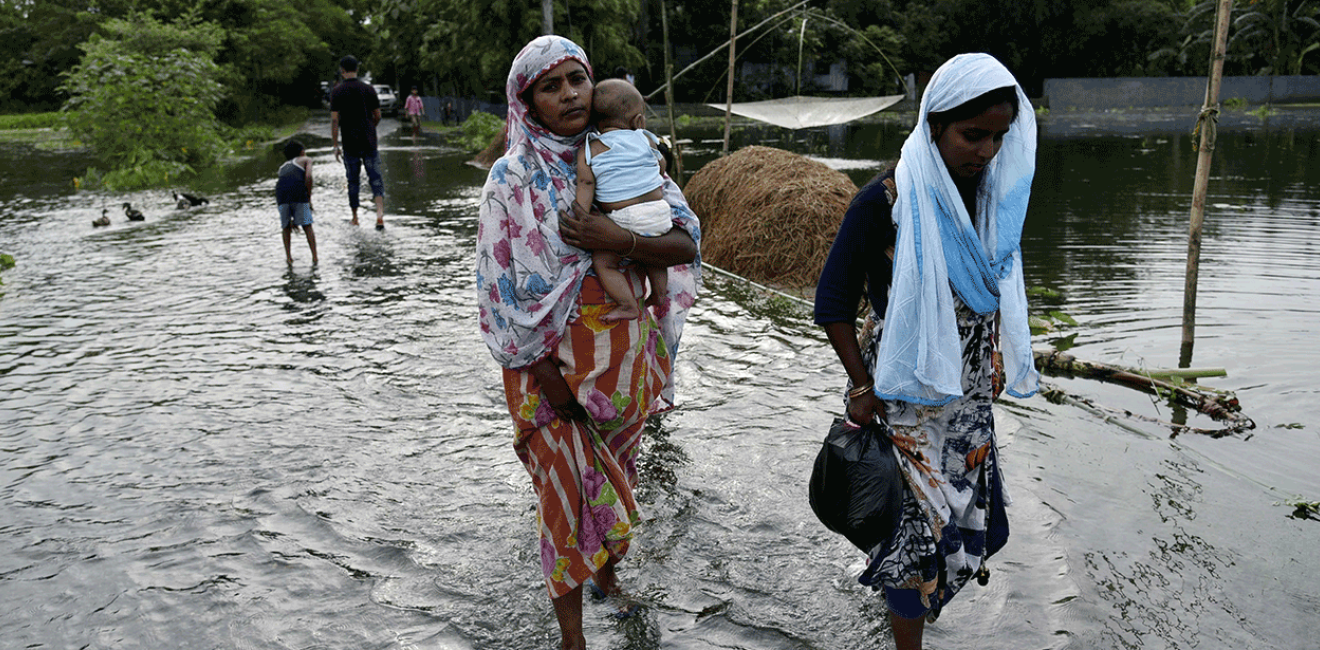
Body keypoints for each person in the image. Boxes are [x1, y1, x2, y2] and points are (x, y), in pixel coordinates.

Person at [475, 35, 700, 650]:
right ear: (528, 101)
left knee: (611, 482)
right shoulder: (512, 179)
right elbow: (500, 292)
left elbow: (684, 242)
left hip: (620, 369)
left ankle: (608, 578)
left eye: (578, 79)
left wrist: (615, 237)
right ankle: (572, 637)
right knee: (564, 500)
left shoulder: (621, 151)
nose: (571, 93)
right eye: (552, 85)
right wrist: (549, 381)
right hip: (546, 372)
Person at [813, 53, 1039, 650]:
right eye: (972, 134)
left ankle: (907, 608)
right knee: (913, 536)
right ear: (934, 122)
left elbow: (986, 287)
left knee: (965, 522)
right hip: (902, 391)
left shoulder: (991, 200)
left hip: (964, 395)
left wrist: (991, 355)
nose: (985, 150)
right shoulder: (884, 203)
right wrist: (862, 390)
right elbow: (831, 305)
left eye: (997, 136)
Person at [574, 78, 671, 322]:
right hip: (660, 212)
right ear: (639, 121)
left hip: (624, 218)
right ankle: (659, 294)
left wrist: (582, 214)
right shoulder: (647, 138)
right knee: (654, 256)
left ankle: (627, 304)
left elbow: (586, 184)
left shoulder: (591, 146)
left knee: (604, 262)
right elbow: (661, 166)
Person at [329, 55, 386, 230]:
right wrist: (371, 128)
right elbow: (378, 115)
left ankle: (355, 218)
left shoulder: (337, 92)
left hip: (349, 143)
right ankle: (379, 216)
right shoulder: (368, 89)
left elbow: (334, 121)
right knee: (375, 179)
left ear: (342, 70)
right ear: (357, 69)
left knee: (353, 181)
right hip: (369, 141)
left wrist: (335, 145)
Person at [275, 139, 318, 265]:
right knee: (307, 225)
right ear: (302, 152)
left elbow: (282, 183)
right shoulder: (306, 160)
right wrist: (308, 198)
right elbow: (309, 177)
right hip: (298, 193)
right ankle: (315, 257)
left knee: (286, 227)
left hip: (281, 197)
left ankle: (289, 257)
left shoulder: (282, 167)